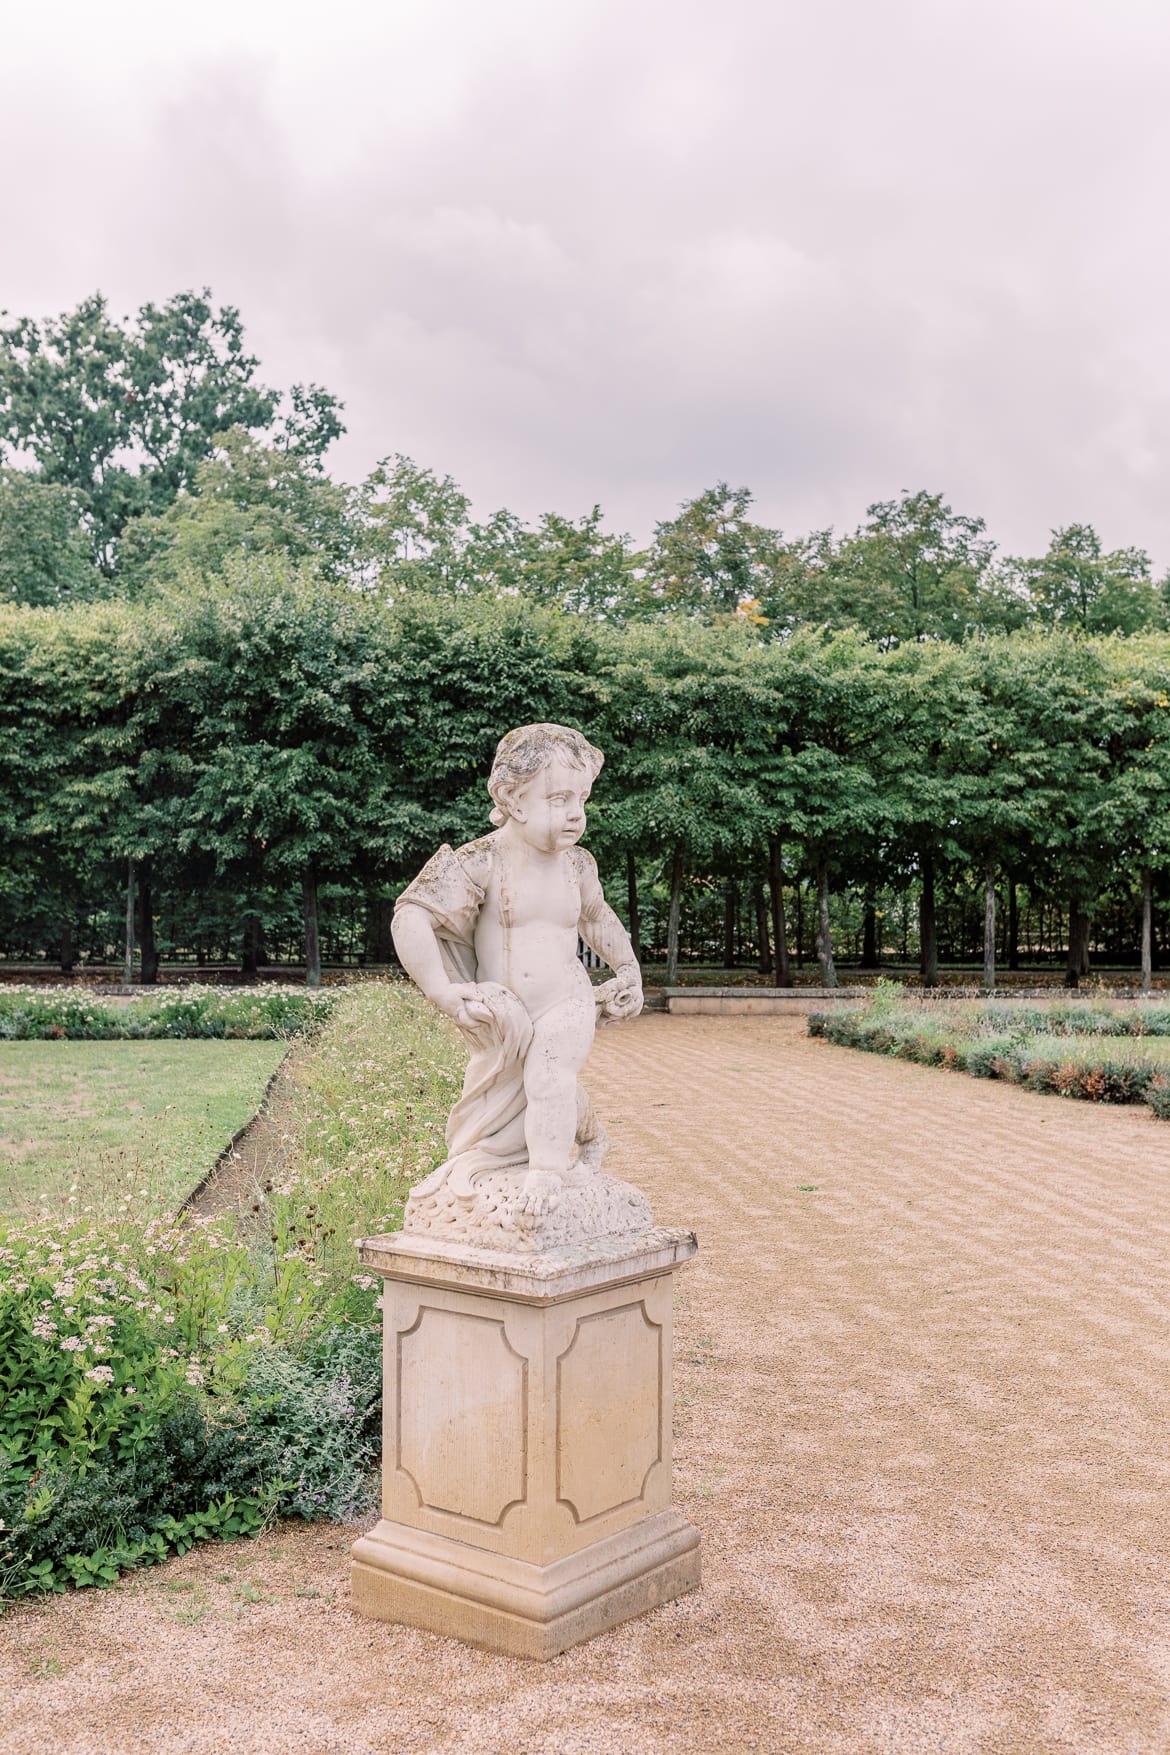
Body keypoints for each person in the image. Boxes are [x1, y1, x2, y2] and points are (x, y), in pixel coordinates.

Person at [392, 723, 642, 1218]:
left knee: (549, 1073)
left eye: (582, 799)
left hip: (567, 999)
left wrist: (628, 967)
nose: (575, 813)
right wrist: (442, 990)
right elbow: (411, 916)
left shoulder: (577, 866)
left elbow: (596, 918)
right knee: (524, 1089)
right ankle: (588, 1135)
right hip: (503, 1017)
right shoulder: (481, 860)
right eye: (559, 799)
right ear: (514, 799)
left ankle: (547, 1172)